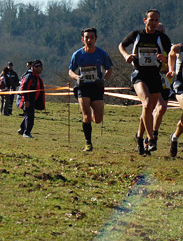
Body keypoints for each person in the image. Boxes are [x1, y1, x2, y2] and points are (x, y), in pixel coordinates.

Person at [119, 9, 171, 155]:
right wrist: (126, 55)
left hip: (154, 76)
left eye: (156, 20)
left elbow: (172, 55)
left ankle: (139, 137)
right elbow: (121, 45)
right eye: (151, 20)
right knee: (147, 104)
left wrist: (165, 59)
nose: (154, 23)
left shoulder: (162, 38)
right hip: (139, 74)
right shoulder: (136, 35)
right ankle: (151, 138)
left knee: (147, 110)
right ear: (145, 20)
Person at [68, 28, 113, 152]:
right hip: (83, 87)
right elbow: (70, 71)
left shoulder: (102, 54)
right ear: (82, 39)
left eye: (92, 37)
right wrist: (77, 77)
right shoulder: (77, 54)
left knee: (98, 119)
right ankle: (88, 143)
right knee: (87, 116)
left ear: (95, 39)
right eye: (86, 37)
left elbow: (109, 69)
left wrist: (103, 79)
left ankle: (94, 112)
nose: (89, 40)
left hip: (96, 87)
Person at [18, 60, 45, 138]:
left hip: (33, 100)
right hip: (27, 100)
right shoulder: (29, 76)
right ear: (35, 67)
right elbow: (24, 88)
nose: (41, 69)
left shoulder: (37, 77)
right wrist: (26, 100)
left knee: (28, 115)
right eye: (40, 67)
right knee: (30, 117)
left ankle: (22, 129)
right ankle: (26, 133)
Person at [167, 42, 183, 157]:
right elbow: (172, 52)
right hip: (180, 85)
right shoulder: (180, 48)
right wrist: (172, 69)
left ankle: (174, 138)